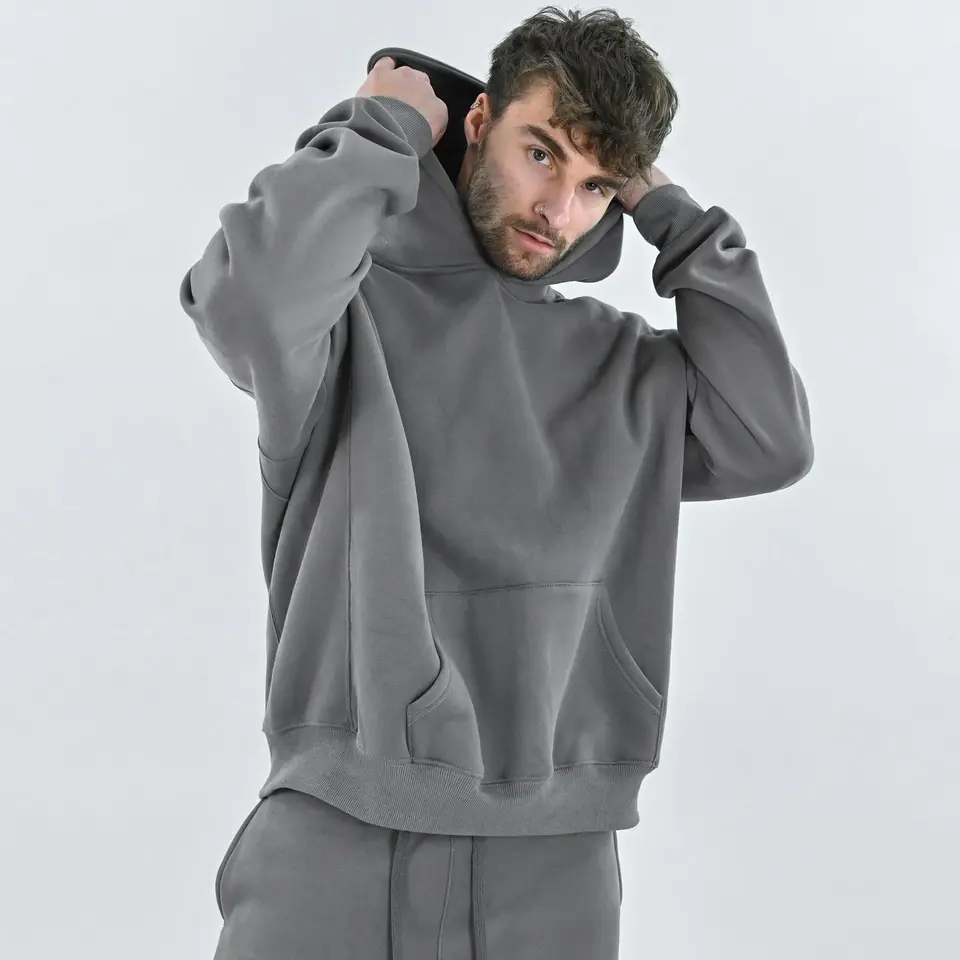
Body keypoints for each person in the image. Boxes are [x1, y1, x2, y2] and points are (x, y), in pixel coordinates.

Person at [178, 6, 814, 958]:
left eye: (597, 185)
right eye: (542, 153)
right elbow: (246, 307)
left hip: (556, 862)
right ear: (478, 122)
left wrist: (676, 219)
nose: (558, 210)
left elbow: (770, 438)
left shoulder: (619, 368)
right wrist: (380, 126)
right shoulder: (342, 316)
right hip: (333, 840)